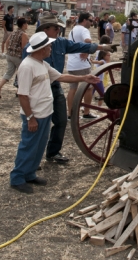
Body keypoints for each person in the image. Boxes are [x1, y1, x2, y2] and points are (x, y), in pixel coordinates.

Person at [10, 32, 101, 194]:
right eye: (49, 46)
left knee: (39, 145)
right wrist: (30, 117)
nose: (51, 48)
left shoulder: (42, 64)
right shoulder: (27, 66)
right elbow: (22, 95)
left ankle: (30, 174)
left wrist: (85, 78)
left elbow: (61, 77)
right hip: (35, 115)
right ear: (42, 49)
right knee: (28, 145)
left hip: (45, 114)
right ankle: (17, 177)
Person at [21, 13, 111, 163]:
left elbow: (79, 46)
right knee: (36, 127)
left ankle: (53, 153)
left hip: (55, 87)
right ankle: (30, 162)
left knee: (61, 120)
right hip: (37, 90)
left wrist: (101, 46)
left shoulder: (61, 42)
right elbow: (25, 73)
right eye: (55, 28)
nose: (58, 30)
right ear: (45, 29)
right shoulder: (31, 48)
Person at [67, 13, 99, 120]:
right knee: (88, 88)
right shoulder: (84, 30)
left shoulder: (72, 30)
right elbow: (88, 41)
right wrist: (87, 51)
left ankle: (70, 114)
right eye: (90, 21)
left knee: (72, 89)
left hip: (71, 63)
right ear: (84, 20)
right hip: (82, 63)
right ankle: (86, 112)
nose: (91, 23)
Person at [0, 18, 29, 98]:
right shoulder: (24, 34)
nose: (27, 25)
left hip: (9, 55)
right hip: (18, 56)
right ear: (23, 24)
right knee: (22, 73)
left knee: (9, 73)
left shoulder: (13, 32)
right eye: (26, 23)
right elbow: (24, 47)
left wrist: (9, 51)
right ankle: (19, 91)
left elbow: (7, 42)